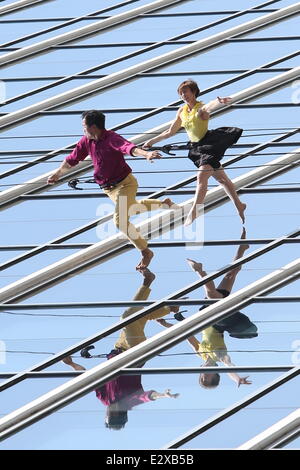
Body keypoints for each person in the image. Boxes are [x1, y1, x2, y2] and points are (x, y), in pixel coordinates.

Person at [47, 110, 178, 269]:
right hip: (109, 189)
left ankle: (145, 251)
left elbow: (129, 148)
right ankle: (164, 204)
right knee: (132, 208)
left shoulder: (111, 138)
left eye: (84, 127)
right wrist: (57, 173)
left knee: (120, 221)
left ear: (93, 127)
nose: (83, 130)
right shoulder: (86, 142)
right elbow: (72, 159)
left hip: (125, 184)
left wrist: (146, 154)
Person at [63, 267, 180, 430]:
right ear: (117, 415)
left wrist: (70, 364)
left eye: (107, 415)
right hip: (134, 354)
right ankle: (148, 282)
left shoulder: (104, 398)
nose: (107, 412)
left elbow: (86, 378)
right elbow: (147, 397)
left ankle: (169, 308)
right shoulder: (129, 402)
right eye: (110, 415)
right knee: (127, 318)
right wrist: (163, 395)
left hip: (119, 348)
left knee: (137, 317)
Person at [158, 228, 257, 389]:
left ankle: (242, 248)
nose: (203, 374)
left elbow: (185, 334)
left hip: (208, 314)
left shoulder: (201, 354)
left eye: (202, 377)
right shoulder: (219, 356)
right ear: (215, 373)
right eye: (207, 377)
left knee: (230, 274)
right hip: (220, 316)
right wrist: (236, 379)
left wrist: (165, 325)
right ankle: (199, 270)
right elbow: (229, 365)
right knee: (212, 291)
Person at [143, 80, 246, 226]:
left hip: (210, 144)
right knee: (222, 179)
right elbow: (170, 131)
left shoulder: (200, 108)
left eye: (186, 91)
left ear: (194, 92)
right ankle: (239, 204)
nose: (183, 95)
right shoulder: (182, 111)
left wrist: (217, 102)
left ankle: (195, 210)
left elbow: (206, 109)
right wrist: (151, 142)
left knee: (202, 176)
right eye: (181, 93)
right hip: (197, 148)